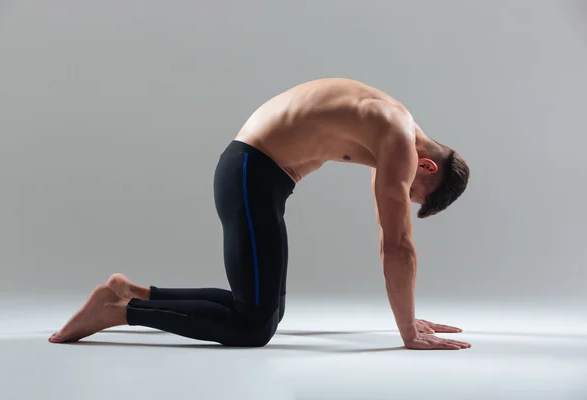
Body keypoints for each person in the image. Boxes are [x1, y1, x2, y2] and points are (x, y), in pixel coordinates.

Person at [49, 78, 471, 350]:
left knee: (261, 310)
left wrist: (408, 315)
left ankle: (135, 292)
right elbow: (398, 245)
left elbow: (389, 236)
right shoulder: (397, 135)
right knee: (253, 326)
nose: (401, 188)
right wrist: (408, 331)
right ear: (427, 166)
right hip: (252, 173)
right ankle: (118, 311)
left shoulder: (392, 121)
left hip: (256, 175)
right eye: (413, 190)